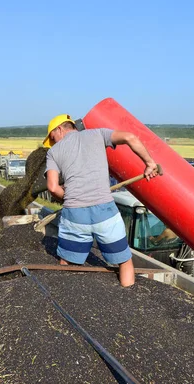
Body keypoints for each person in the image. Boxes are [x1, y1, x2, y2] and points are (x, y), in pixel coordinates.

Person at [43, 114, 158, 287]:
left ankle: (67, 297)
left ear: (59, 129)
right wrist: (149, 163)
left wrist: (71, 196)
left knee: (67, 261)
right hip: (105, 212)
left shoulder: (53, 153)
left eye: (53, 139)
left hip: (74, 214)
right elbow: (130, 137)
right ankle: (129, 296)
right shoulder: (97, 134)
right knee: (124, 261)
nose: (53, 143)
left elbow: (52, 187)